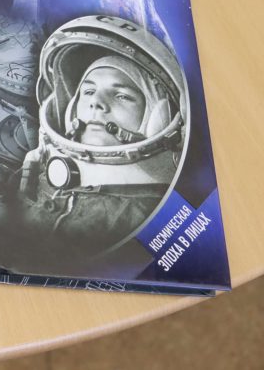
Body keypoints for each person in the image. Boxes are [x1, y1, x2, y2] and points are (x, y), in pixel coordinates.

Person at [18, 15, 186, 255]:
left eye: (122, 96)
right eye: (88, 91)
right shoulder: (37, 175)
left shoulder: (151, 220)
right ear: (70, 108)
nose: (96, 102)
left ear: (157, 118)